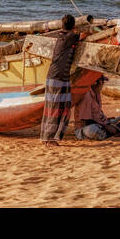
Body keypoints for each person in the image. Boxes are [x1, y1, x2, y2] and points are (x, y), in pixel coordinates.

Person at [40, 14, 81, 145]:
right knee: (55, 109)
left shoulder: (62, 36)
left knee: (62, 107)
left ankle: (50, 137)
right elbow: (82, 35)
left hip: (60, 77)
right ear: (73, 26)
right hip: (57, 77)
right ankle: (49, 138)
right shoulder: (69, 37)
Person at [73, 75, 120, 140]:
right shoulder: (86, 96)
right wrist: (106, 126)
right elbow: (86, 121)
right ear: (95, 83)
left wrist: (107, 120)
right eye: (102, 82)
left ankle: (109, 133)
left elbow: (97, 113)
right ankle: (112, 132)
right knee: (92, 130)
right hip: (86, 128)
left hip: (102, 124)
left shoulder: (97, 94)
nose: (102, 84)